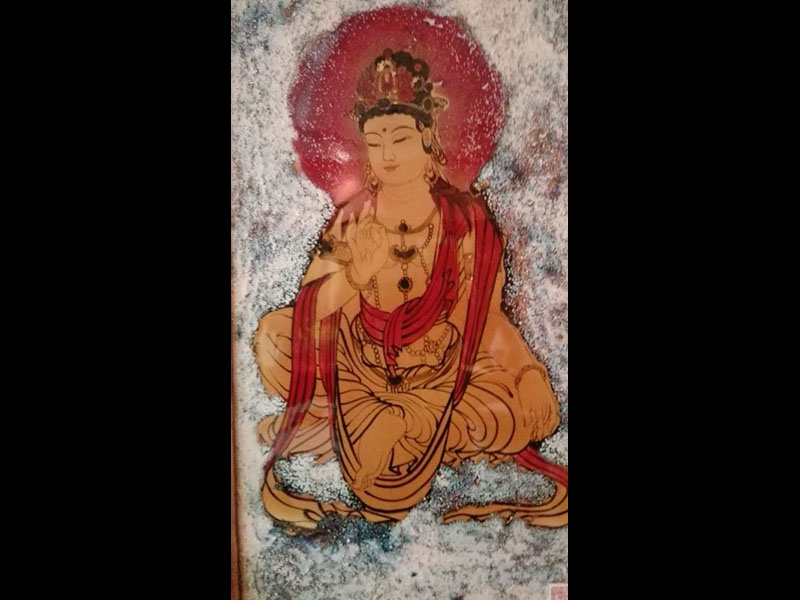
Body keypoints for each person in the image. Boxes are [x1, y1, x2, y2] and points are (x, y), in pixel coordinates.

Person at [253, 49, 567, 531]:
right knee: (273, 338)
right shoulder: (352, 218)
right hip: (359, 367)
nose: (388, 155)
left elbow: (484, 321)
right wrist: (355, 278)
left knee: (529, 405)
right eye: (375, 142)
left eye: (400, 138)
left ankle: (392, 426)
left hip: (443, 373)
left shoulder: (467, 224)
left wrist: (521, 369)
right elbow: (310, 311)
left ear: (429, 140)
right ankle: (409, 430)